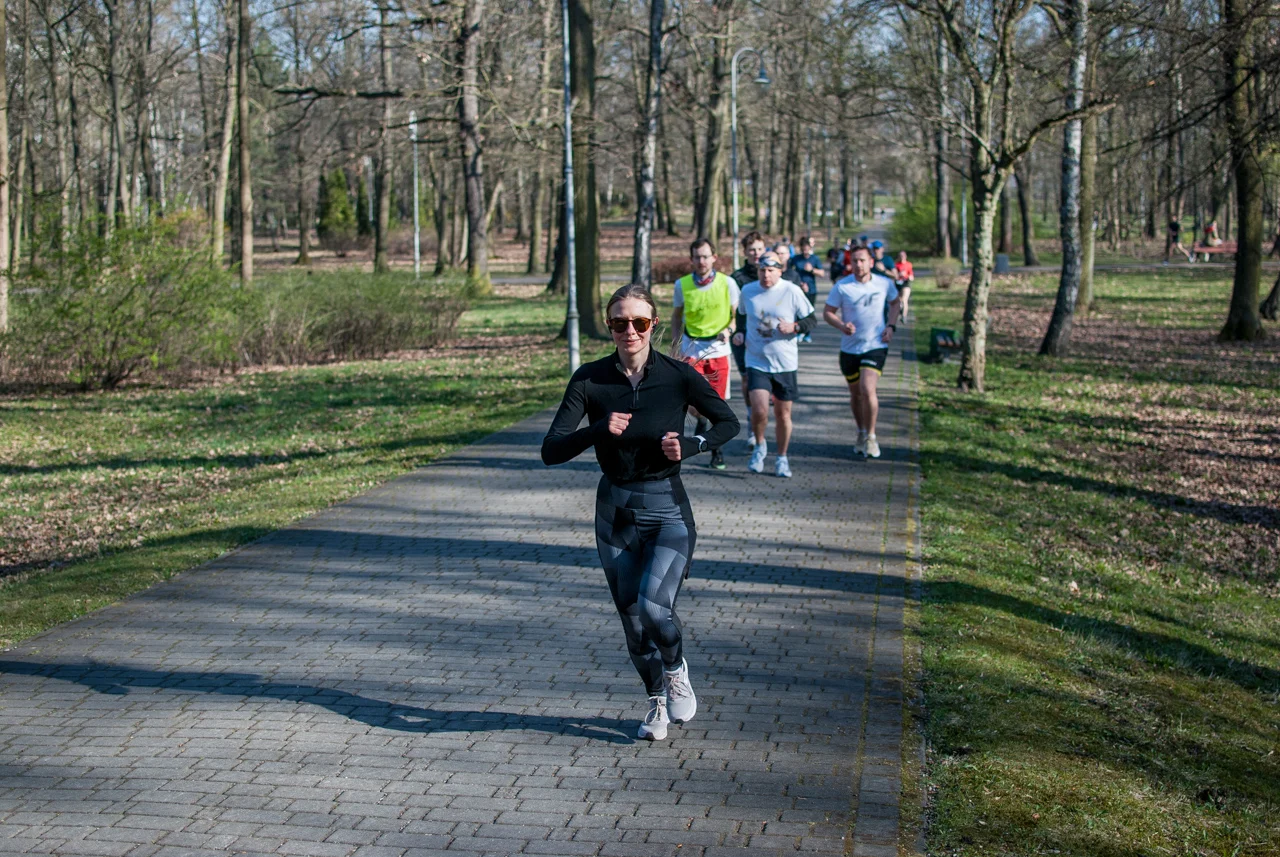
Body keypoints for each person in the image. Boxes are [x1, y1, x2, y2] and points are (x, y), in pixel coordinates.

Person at [542, 284, 740, 741]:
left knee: (655, 608)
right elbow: (551, 449)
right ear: (609, 326)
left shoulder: (678, 374)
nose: (629, 331)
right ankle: (655, 704)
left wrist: (692, 445)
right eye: (618, 323)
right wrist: (597, 429)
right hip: (615, 513)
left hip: (667, 508)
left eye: (639, 322)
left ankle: (675, 668)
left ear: (653, 324)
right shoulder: (590, 380)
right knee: (631, 620)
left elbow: (728, 422)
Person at [733, 251, 818, 478]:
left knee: (783, 414)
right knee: (759, 410)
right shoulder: (748, 291)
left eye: (771, 270)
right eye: (762, 270)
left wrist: (795, 327)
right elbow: (741, 315)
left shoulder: (792, 291)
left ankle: (782, 457)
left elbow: (812, 320)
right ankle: (760, 446)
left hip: (785, 363)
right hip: (757, 360)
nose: (766, 274)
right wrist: (740, 333)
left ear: (780, 270)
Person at [669, 238, 740, 470]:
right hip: (692, 347)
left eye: (705, 256)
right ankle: (701, 420)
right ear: (691, 259)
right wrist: (676, 346)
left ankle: (716, 451)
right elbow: (677, 316)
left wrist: (729, 330)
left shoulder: (728, 283)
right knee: (690, 401)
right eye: (697, 257)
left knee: (716, 404)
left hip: (719, 349)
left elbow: (736, 316)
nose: (701, 261)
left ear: (714, 258)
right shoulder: (682, 285)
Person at [825, 245, 900, 459]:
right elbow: (828, 312)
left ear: (871, 262)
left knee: (868, 390)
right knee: (856, 394)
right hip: (849, 348)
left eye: (863, 260)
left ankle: (872, 437)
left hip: (875, 345)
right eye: (855, 261)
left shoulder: (884, 283)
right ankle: (861, 431)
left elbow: (895, 303)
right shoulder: (842, 286)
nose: (859, 265)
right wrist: (841, 325)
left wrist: (891, 326)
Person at [731, 231, 767, 442]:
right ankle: (751, 417)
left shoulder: (772, 272)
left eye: (760, 249)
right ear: (744, 252)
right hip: (744, 336)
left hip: (768, 336)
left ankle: (760, 413)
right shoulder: (737, 278)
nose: (756, 254)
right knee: (747, 379)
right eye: (752, 250)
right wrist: (738, 331)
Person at [788, 237, 825, 342]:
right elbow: (790, 271)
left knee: (809, 312)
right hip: (798, 289)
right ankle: (799, 332)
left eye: (806, 247)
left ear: (810, 247)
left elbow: (822, 273)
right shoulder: (796, 259)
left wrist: (812, 270)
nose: (805, 250)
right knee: (798, 312)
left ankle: (807, 334)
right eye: (803, 248)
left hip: (811, 289)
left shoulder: (815, 259)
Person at [894, 251, 915, 319]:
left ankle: (904, 316)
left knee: (904, 299)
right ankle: (900, 309)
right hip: (898, 283)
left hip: (906, 283)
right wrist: (899, 275)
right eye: (900, 256)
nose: (902, 257)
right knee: (899, 300)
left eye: (903, 256)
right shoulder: (896, 265)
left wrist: (909, 277)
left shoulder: (909, 264)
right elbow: (893, 275)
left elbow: (911, 275)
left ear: (905, 257)